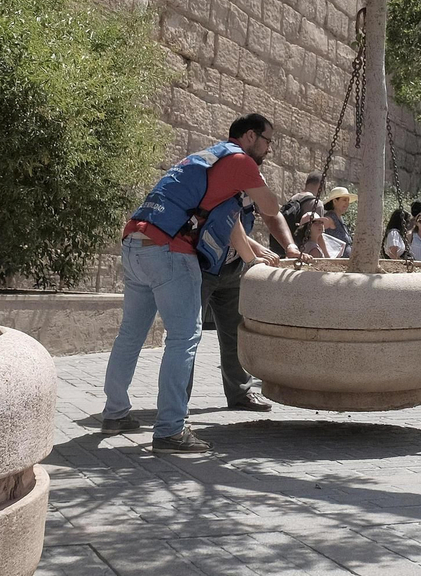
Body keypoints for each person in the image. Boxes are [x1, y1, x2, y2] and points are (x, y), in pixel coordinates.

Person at [103, 113, 300, 452]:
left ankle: (115, 413)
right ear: (250, 136)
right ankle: (170, 430)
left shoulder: (205, 159)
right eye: (268, 141)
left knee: (130, 335)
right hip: (169, 250)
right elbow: (269, 207)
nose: (269, 149)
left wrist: (251, 256)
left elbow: (230, 223)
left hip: (135, 240)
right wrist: (258, 191)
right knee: (184, 338)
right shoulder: (239, 161)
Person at [274, 172, 322, 254]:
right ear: (321, 185)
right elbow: (319, 234)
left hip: (289, 246)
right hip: (309, 251)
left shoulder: (293, 198)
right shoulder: (317, 204)